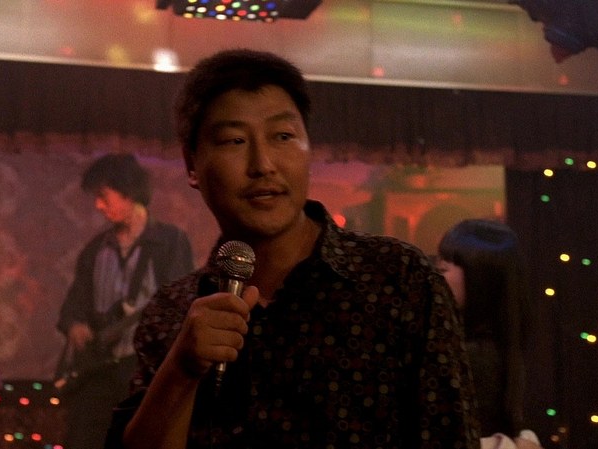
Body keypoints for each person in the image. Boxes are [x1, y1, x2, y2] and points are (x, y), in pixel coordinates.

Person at [105, 49, 481, 449]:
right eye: (234, 140)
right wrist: (181, 370)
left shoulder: (400, 280)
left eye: (283, 136)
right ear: (192, 165)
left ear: (309, 148)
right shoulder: (172, 312)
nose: (263, 164)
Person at [56, 153, 194, 449]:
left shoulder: (171, 242)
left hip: (145, 374)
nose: (98, 205)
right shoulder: (95, 250)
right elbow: (72, 305)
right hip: (97, 372)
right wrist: (75, 325)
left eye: (103, 196)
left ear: (128, 192)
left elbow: (180, 307)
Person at [436, 219, 542, 449]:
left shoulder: (471, 356)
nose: (436, 275)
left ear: (480, 279)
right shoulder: (497, 348)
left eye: (444, 268)